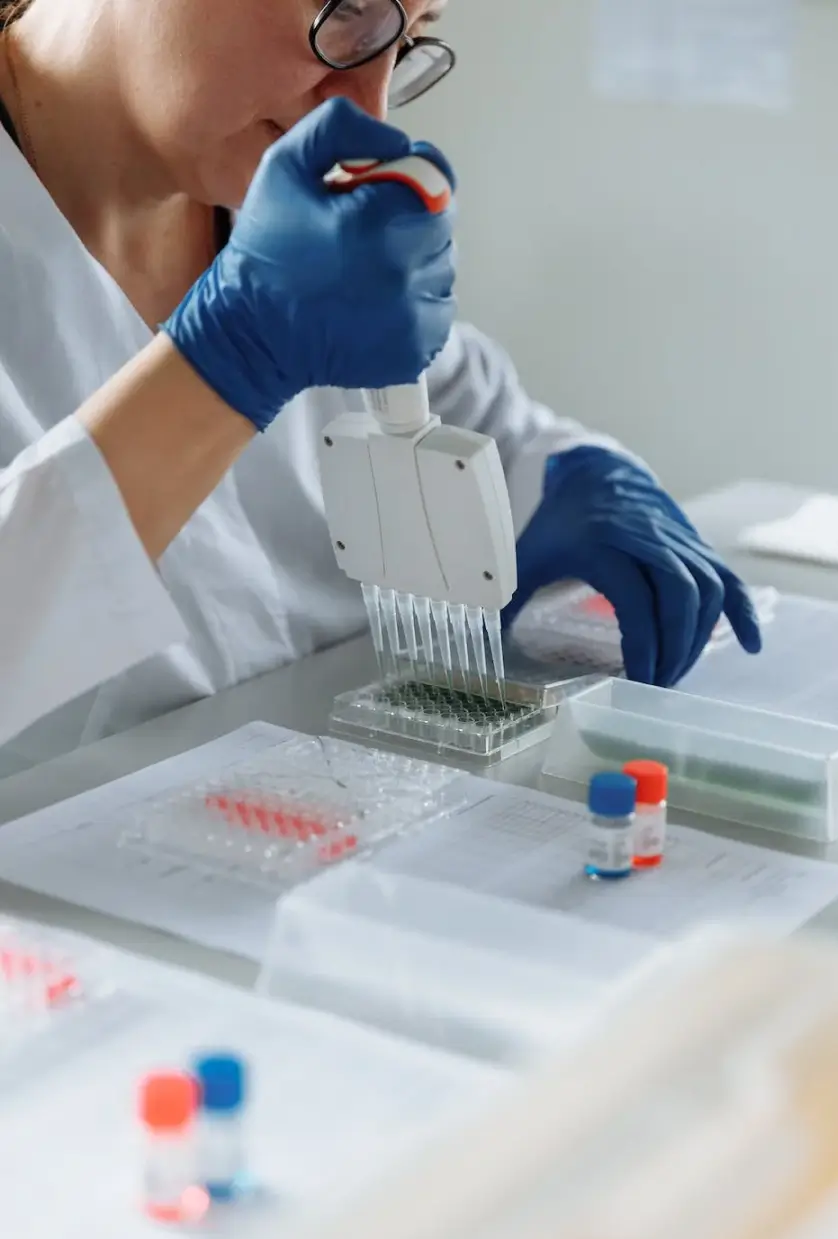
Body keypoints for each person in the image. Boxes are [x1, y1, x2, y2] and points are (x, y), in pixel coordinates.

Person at [0, 0, 761, 774]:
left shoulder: (277, 208)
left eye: (413, 40)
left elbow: (478, 412)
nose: (370, 105)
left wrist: (573, 474)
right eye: (349, 11)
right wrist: (221, 367)